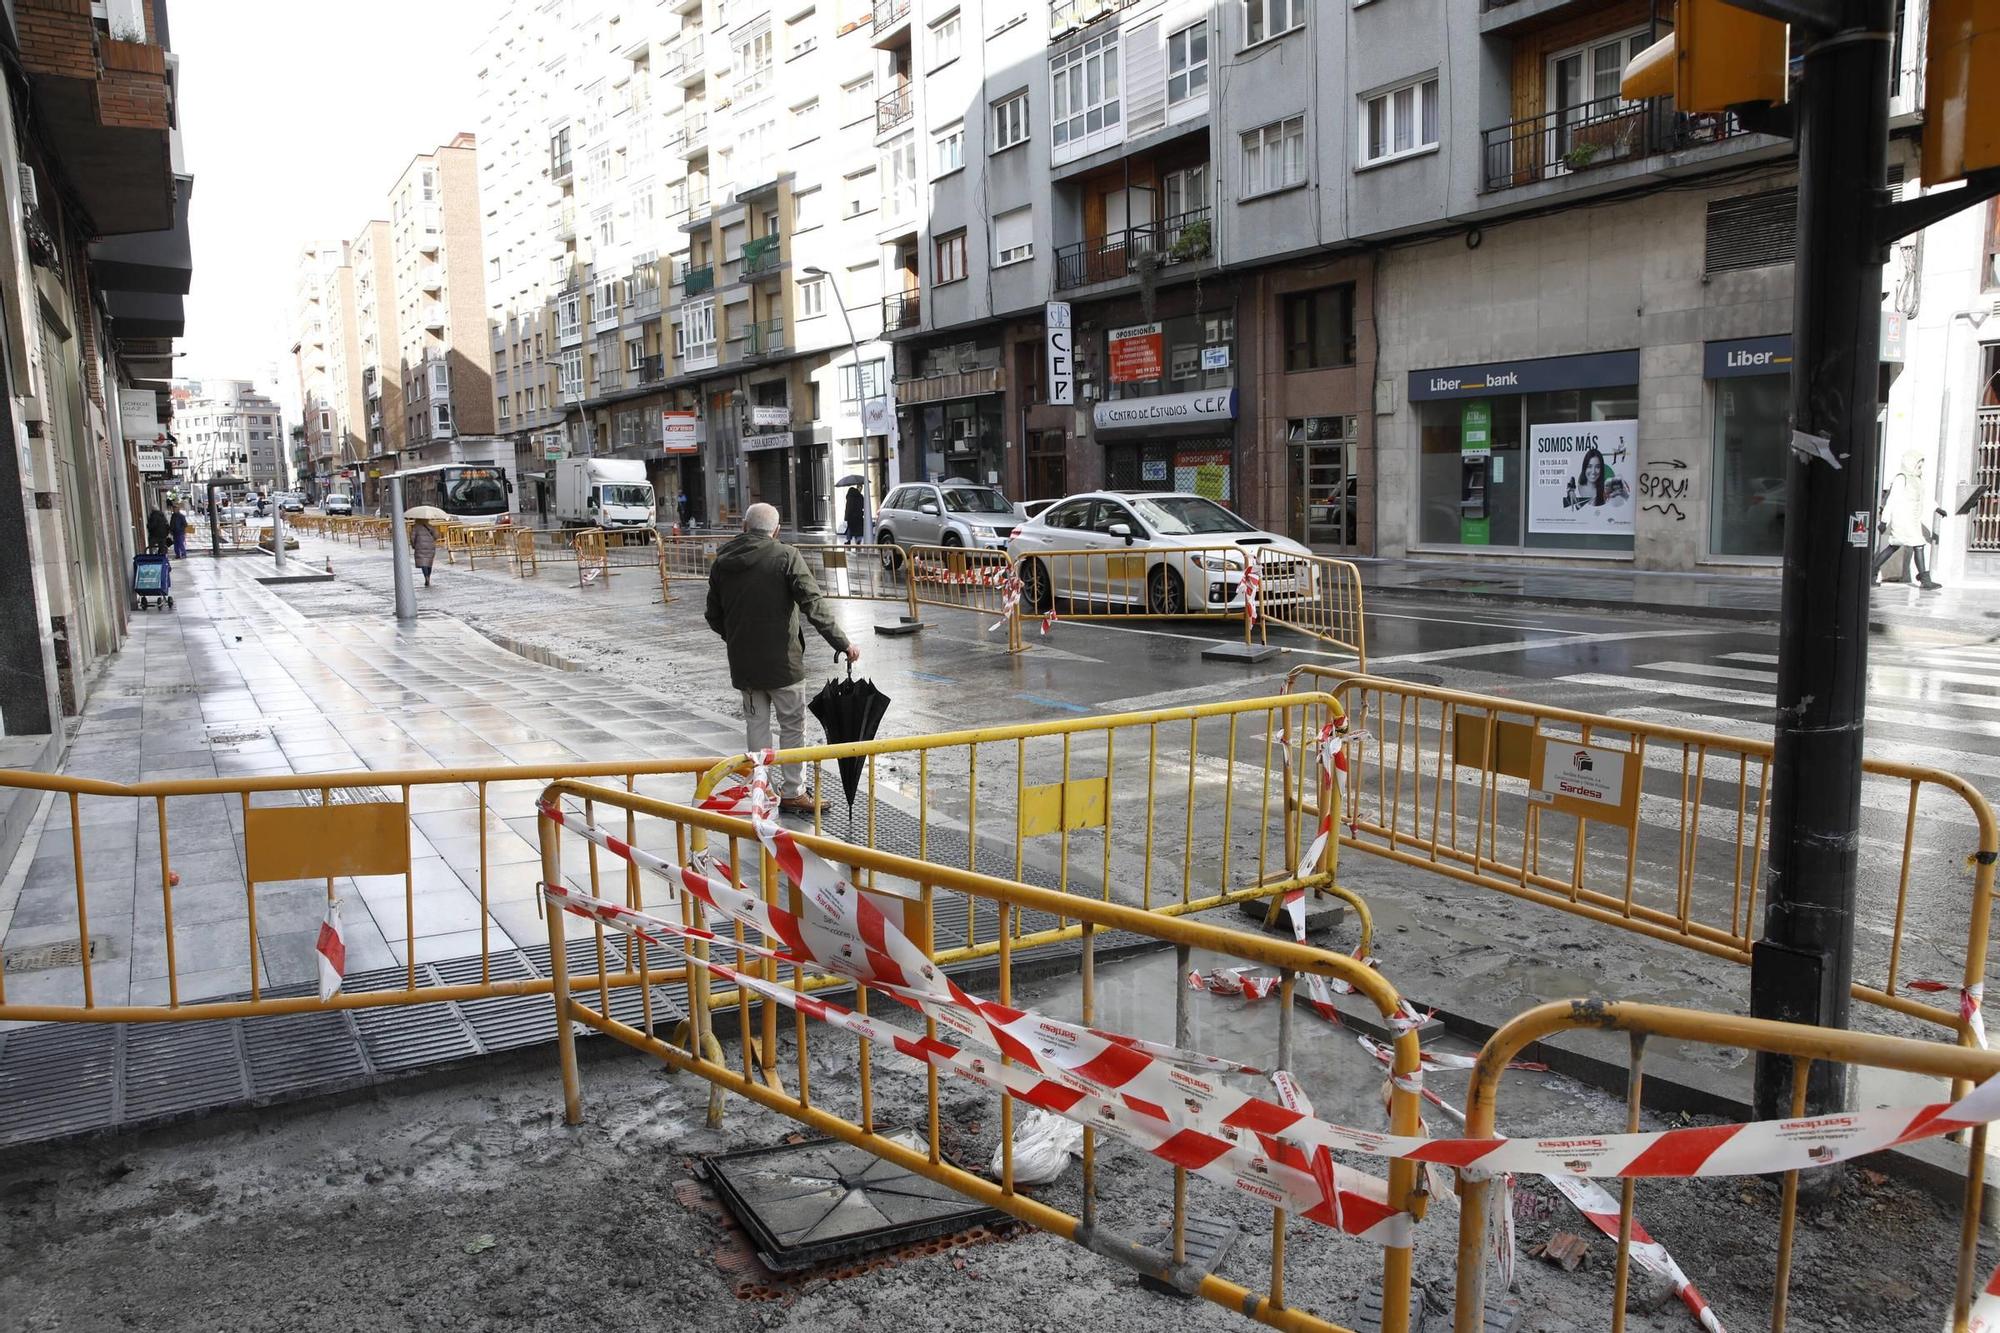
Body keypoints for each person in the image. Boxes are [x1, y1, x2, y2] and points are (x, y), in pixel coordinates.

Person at [706, 502, 860, 814]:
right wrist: (843, 644)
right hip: (784, 664)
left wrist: (735, 638)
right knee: (792, 726)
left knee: (756, 727)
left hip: (745, 666)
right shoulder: (786, 556)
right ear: (776, 531)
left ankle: (761, 791)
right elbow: (813, 605)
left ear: (745, 527)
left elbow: (713, 615)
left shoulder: (723, 561)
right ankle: (793, 792)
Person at [1874, 447, 1944, 590]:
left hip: (1912, 519)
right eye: (1918, 464)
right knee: (1916, 545)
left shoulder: (1917, 479)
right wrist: (1884, 521)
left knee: (1895, 546)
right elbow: (1891, 500)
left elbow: (1926, 497)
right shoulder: (1901, 478)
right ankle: (1925, 580)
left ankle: (1871, 572)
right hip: (1902, 520)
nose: (1920, 467)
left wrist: (1937, 508)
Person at [411, 518, 438, 587]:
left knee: (423, 563)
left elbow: (412, 538)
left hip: (420, 546)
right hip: (430, 546)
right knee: (429, 562)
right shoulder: (430, 526)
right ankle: (428, 576)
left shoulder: (415, 527)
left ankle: (426, 577)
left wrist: (413, 545)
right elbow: (436, 536)